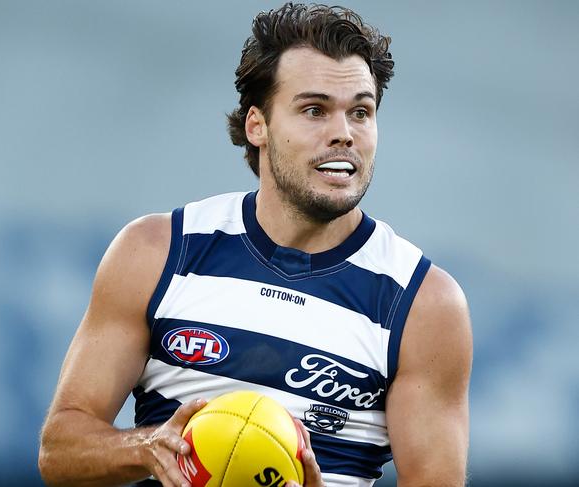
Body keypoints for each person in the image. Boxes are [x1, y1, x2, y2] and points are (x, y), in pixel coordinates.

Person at [38, 3, 472, 487]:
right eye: (314, 110)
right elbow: (60, 447)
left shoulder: (423, 304)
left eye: (361, 112)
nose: (343, 134)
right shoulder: (158, 251)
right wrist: (148, 446)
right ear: (256, 125)